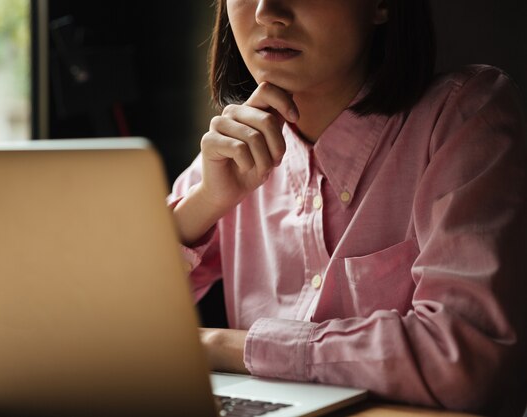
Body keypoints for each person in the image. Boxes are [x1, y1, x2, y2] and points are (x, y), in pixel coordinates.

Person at [167, 0, 527, 415]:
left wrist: (223, 346)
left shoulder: (463, 115)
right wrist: (205, 203)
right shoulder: (234, 152)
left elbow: (464, 360)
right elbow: (102, 323)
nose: (268, 12)